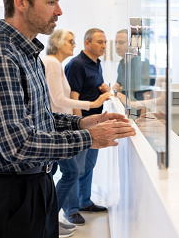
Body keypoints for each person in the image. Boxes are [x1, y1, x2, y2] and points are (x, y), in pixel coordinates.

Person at [0, 0, 136, 238]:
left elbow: (39, 118)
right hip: (11, 194)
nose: (59, 11)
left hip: (36, 182)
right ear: (21, 2)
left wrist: (81, 123)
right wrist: (90, 138)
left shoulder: (27, 54)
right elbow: (18, 145)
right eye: (51, 1)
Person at [43, 29, 112, 234]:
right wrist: (87, 113)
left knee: (75, 169)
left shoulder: (65, 64)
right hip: (62, 127)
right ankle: (61, 214)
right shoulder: (58, 64)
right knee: (72, 171)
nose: (73, 45)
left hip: (68, 124)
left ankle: (62, 213)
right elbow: (60, 100)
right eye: (70, 41)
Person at [64, 28, 111, 225]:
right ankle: (71, 209)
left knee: (88, 166)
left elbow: (94, 89)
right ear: (87, 43)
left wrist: (105, 89)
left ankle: (84, 201)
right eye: (100, 42)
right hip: (82, 125)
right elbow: (73, 99)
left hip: (95, 123)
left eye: (105, 42)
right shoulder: (76, 64)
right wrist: (79, 127)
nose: (104, 46)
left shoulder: (96, 64)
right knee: (76, 168)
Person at [113, 29, 154, 101]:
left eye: (121, 43)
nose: (117, 46)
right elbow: (121, 86)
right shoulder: (121, 63)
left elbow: (146, 94)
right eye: (116, 42)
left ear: (132, 44)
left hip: (137, 108)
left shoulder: (143, 64)